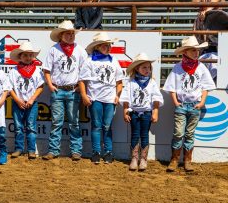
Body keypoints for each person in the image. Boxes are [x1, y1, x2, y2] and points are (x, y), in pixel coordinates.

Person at [163, 36, 215, 172]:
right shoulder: (178, 68)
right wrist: (176, 102)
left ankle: (187, 160)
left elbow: (206, 87)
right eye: (192, 50)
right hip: (182, 104)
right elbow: (171, 87)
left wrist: (202, 102)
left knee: (190, 133)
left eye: (197, 50)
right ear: (185, 52)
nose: (196, 52)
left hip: (194, 105)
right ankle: (174, 159)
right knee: (179, 133)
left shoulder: (201, 67)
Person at [42, 20, 86, 161]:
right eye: (67, 33)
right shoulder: (54, 49)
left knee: (74, 122)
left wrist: (80, 86)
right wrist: (50, 85)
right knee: (57, 122)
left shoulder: (79, 49)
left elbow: (85, 70)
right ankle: (54, 150)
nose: (71, 36)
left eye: (72, 33)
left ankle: (76, 151)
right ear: (61, 35)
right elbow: (47, 70)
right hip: (58, 90)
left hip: (73, 90)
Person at [78, 32, 123, 164]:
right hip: (95, 98)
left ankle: (108, 152)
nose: (107, 47)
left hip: (109, 99)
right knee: (97, 126)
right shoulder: (89, 60)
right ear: (97, 46)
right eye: (104, 45)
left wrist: (117, 95)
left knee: (107, 126)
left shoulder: (113, 60)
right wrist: (84, 95)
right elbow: (82, 80)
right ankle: (96, 152)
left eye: (108, 45)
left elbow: (119, 81)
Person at [120, 53, 164, 171]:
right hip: (134, 113)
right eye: (144, 67)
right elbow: (126, 98)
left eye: (149, 67)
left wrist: (155, 112)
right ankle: (134, 158)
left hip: (146, 113)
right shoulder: (131, 82)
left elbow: (156, 98)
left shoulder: (152, 82)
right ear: (137, 68)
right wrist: (125, 111)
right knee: (135, 134)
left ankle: (143, 159)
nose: (147, 70)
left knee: (144, 135)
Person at [8, 42, 44, 160]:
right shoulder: (14, 71)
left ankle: (31, 150)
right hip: (18, 102)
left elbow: (40, 87)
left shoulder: (37, 71)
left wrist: (32, 99)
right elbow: (10, 88)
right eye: (25, 55)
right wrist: (17, 100)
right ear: (20, 57)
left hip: (31, 103)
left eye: (30, 55)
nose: (28, 58)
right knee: (18, 127)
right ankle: (18, 148)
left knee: (31, 127)